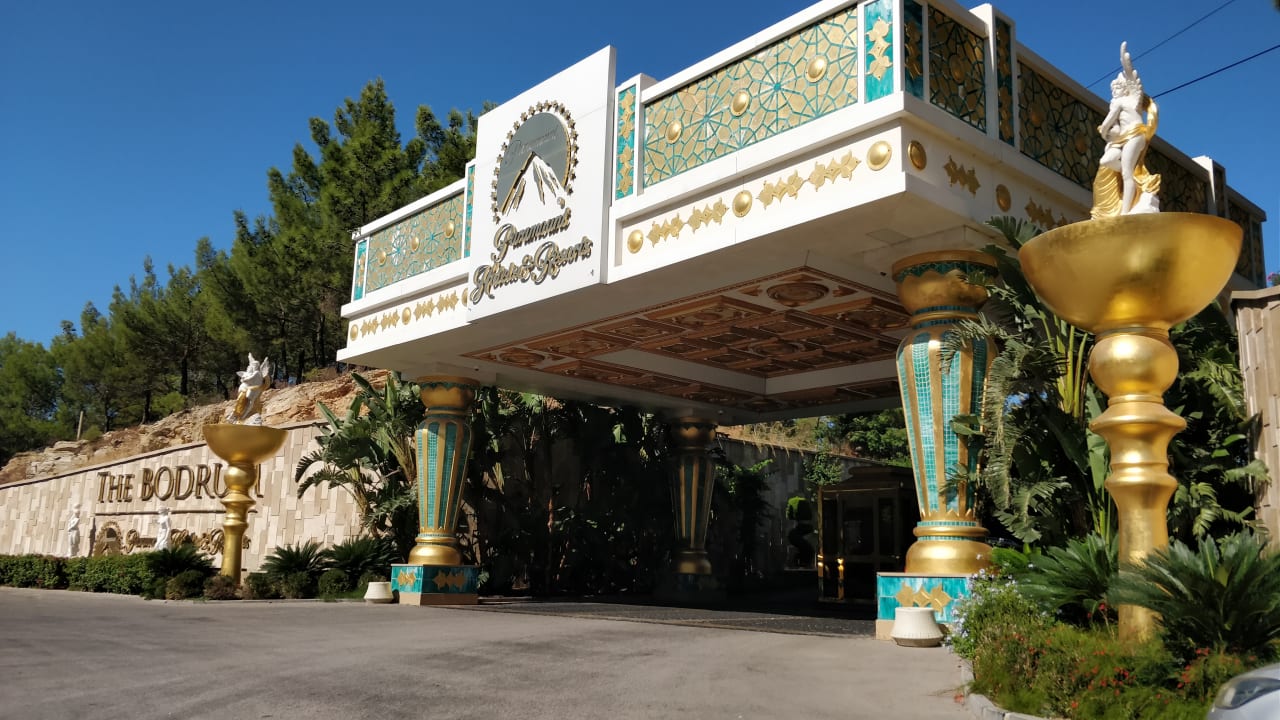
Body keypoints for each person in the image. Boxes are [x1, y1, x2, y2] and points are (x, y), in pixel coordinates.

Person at [1092, 42, 1161, 218]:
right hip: (1123, 139)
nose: (1113, 91)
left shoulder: (1123, 101)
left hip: (1135, 134)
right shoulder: (1130, 100)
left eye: (1116, 88)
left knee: (1126, 172)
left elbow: (1108, 121)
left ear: (1123, 89)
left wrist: (1103, 131)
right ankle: (1138, 183)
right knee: (1107, 160)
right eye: (1112, 89)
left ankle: (1125, 211)